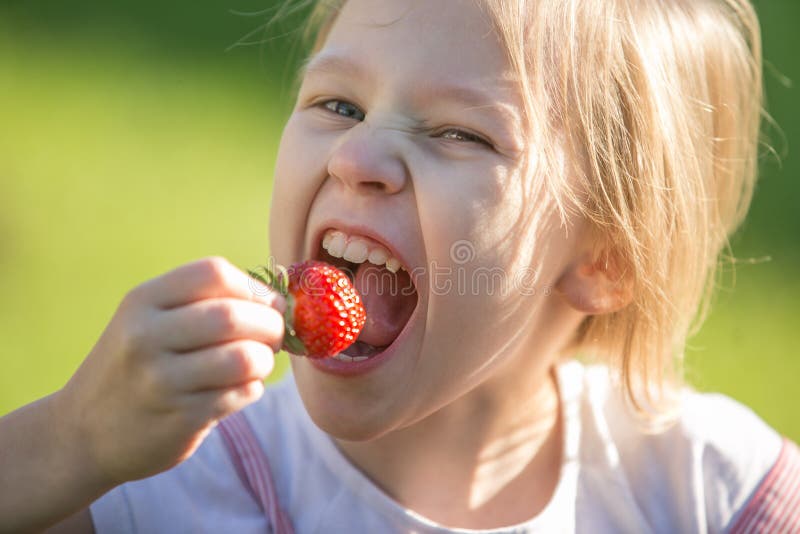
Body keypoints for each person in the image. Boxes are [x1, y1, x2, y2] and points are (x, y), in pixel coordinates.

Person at [2, 0, 798, 532]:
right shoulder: (174, 487)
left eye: (460, 133)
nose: (356, 155)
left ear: (606, 257)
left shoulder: (704, 489)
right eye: (337, 105)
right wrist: (72, 439)